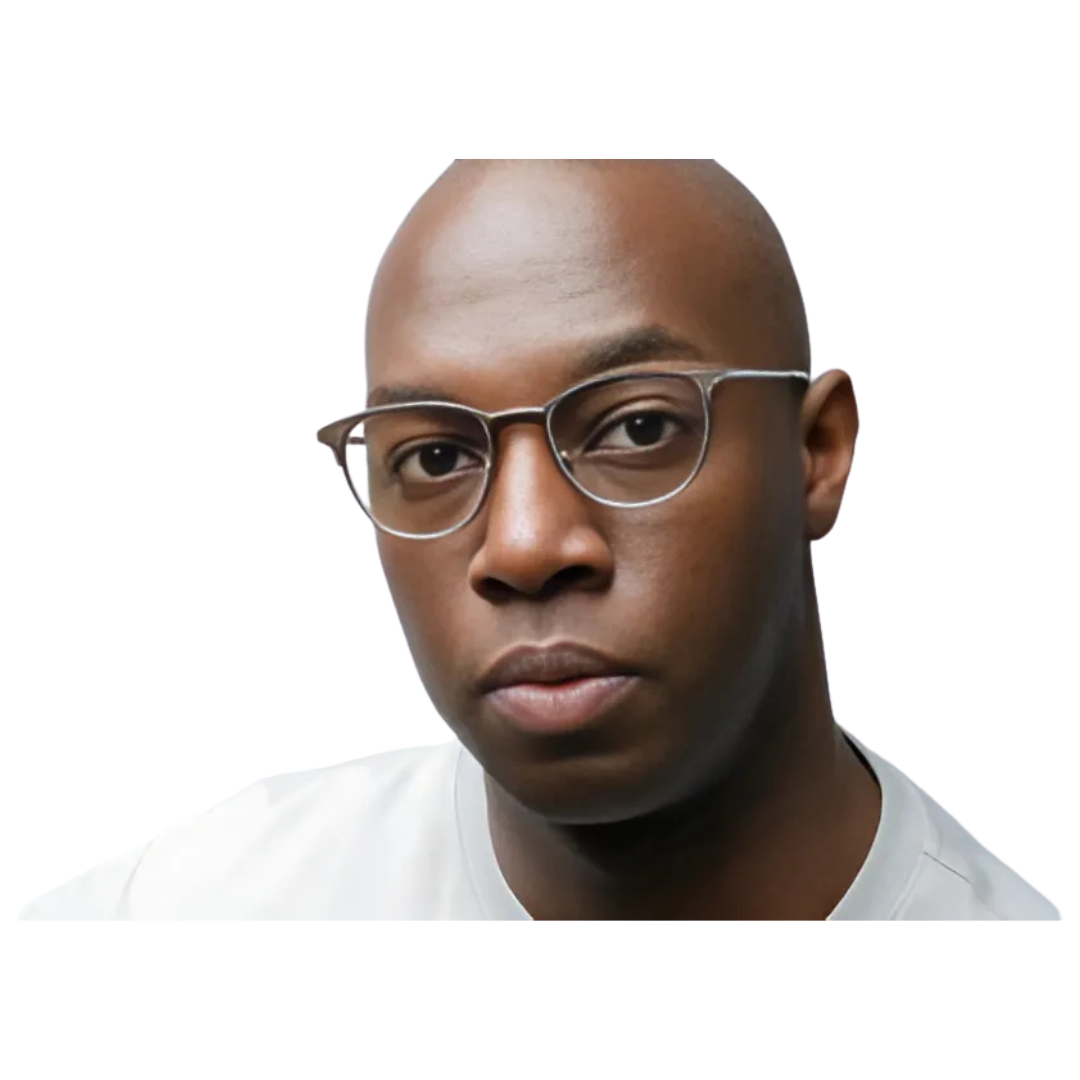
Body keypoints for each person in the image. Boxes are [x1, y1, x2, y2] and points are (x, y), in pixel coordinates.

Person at [20, 159, 1059, 920]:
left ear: (816, 454)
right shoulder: (187, 920)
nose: (521, 547)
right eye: (435, 455)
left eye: (637, 430)